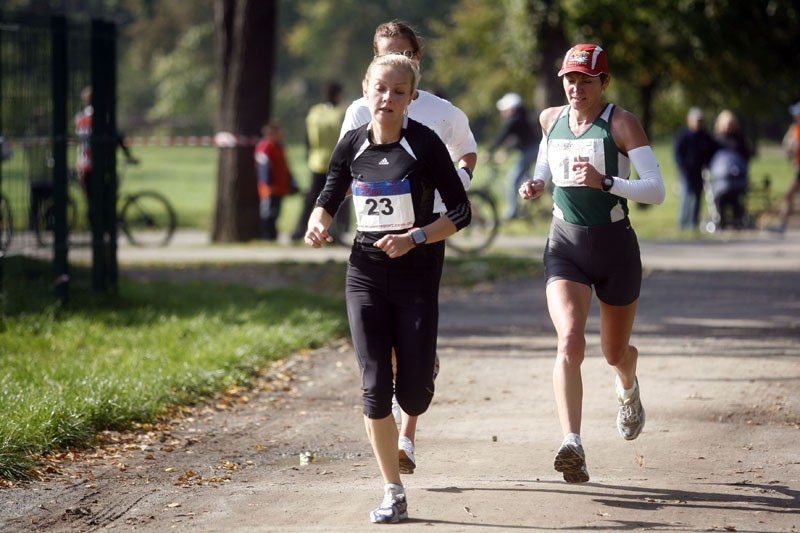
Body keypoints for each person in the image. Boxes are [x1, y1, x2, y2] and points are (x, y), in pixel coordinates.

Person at [304, 53, 470, 523]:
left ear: (411, 97)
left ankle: (423, 370)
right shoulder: (352, 143)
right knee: (375, 387)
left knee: (412, 396)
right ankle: (391, 490)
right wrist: (318, 224)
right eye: (380, 88)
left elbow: (460, 213)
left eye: (399, 92)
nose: (388, 98)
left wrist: (415, 236)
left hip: (416, 275)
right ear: (365, 89)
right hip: (366, 274)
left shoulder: (426, 145)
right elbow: (329, 195)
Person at [518, 43, 666, 483]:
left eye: (585, 80)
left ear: (603, 82)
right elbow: (547, 157)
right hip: (564, 244)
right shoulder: (551, 118)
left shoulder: (621, 123)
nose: (576, 88)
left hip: (616, 247)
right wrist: (537, 182)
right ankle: (572, 443)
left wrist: (607, 182)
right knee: (569, 342)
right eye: (570, 79)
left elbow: (656, 190)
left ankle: (628, 387)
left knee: (614, 353)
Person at [338, 19, 477, 478]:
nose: (393, 65)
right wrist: (327, 214)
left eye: (403, 54)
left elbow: (466, 153)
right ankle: (395, 450)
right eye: (382, 55)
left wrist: (448, 192)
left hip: (426, 232)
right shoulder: (360, 111)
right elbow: (345, 166)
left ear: (418, 60)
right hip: (373, 240)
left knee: (411, 360)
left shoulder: (441, 112)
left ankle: (408, 434)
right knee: (384, 357)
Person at [290, 81, 348, 243]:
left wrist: (309, 154)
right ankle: (337, 233)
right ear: (338, 94)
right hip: (337, 162)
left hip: (317, 160)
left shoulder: (315, 112)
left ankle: (299, 230)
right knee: (339, 198)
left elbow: (307, 138)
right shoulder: (341, 113)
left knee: (312, 198)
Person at [489, 92, 540, 220]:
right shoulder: (521, 118)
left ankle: (512, 212)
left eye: (504, 110)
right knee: (522, 178)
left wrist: (489, 151)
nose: (503, 113)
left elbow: (502, 135)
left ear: (511, 109)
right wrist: (506, 151)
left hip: (531, 150)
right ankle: (528, 203)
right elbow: (516, 139)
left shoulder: (515, 120)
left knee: (512, 179)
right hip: (531, 149)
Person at [673, 106, 716, 232]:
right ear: (689, 120)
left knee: (697, 198)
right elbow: (677, 153)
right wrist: (682, 166)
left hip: (699, 172)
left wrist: (707, 165)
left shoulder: (705, 136)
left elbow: (710, 152)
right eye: (696, 120)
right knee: (685, 197)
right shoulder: (683, 134)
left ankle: (693, 223)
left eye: (700, 120)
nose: (698, 123)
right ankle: (682, 224)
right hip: (686, 172)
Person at [253, 121, 297, 241]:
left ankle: (272, 235)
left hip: (280, 186)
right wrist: (268, 183)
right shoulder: (266, 146)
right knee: (268, 212)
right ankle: (267, 236)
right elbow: (263, 167)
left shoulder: (279, 146)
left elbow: (284, 166)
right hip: (269, 187)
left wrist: (291, 181)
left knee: (275, 212)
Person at [709, 110, 751, 230]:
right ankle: (722, 222)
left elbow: (746, 155)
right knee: (720, 199)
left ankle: (737, 223)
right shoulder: (716, 140)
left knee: (736, 199)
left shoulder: (739, 139)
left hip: (737, 177)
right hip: (721, 178)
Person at [771, 102, 800, 233]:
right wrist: (791, 147)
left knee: (789, 195)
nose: (795, 116)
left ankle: (782, 225)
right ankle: (782, 225)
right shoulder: (795, 128)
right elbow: (787, 145)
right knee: (788, 196)